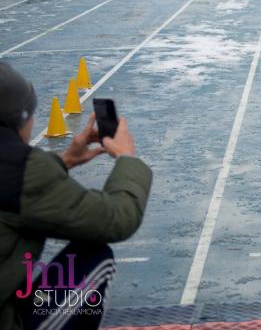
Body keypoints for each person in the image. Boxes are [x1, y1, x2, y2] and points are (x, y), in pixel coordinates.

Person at [0, 62, 152, 330]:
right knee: (94, 257)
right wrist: (127, 159)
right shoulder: (21, 170)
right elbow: (117, 219)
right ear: (21, 120)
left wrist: (65, 160)